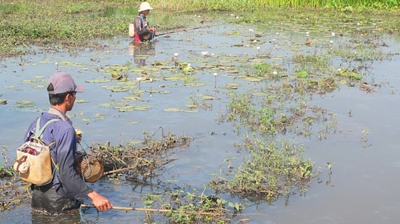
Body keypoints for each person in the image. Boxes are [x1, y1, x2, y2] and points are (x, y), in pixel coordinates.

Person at [23, 71, 112, 214]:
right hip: (59, 201)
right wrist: (94, 196)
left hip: (37, 198)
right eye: (74, 94)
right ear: (68, 97)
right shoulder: (66, 129)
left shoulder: (37, 122)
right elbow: (66, 174)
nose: (75, 98)